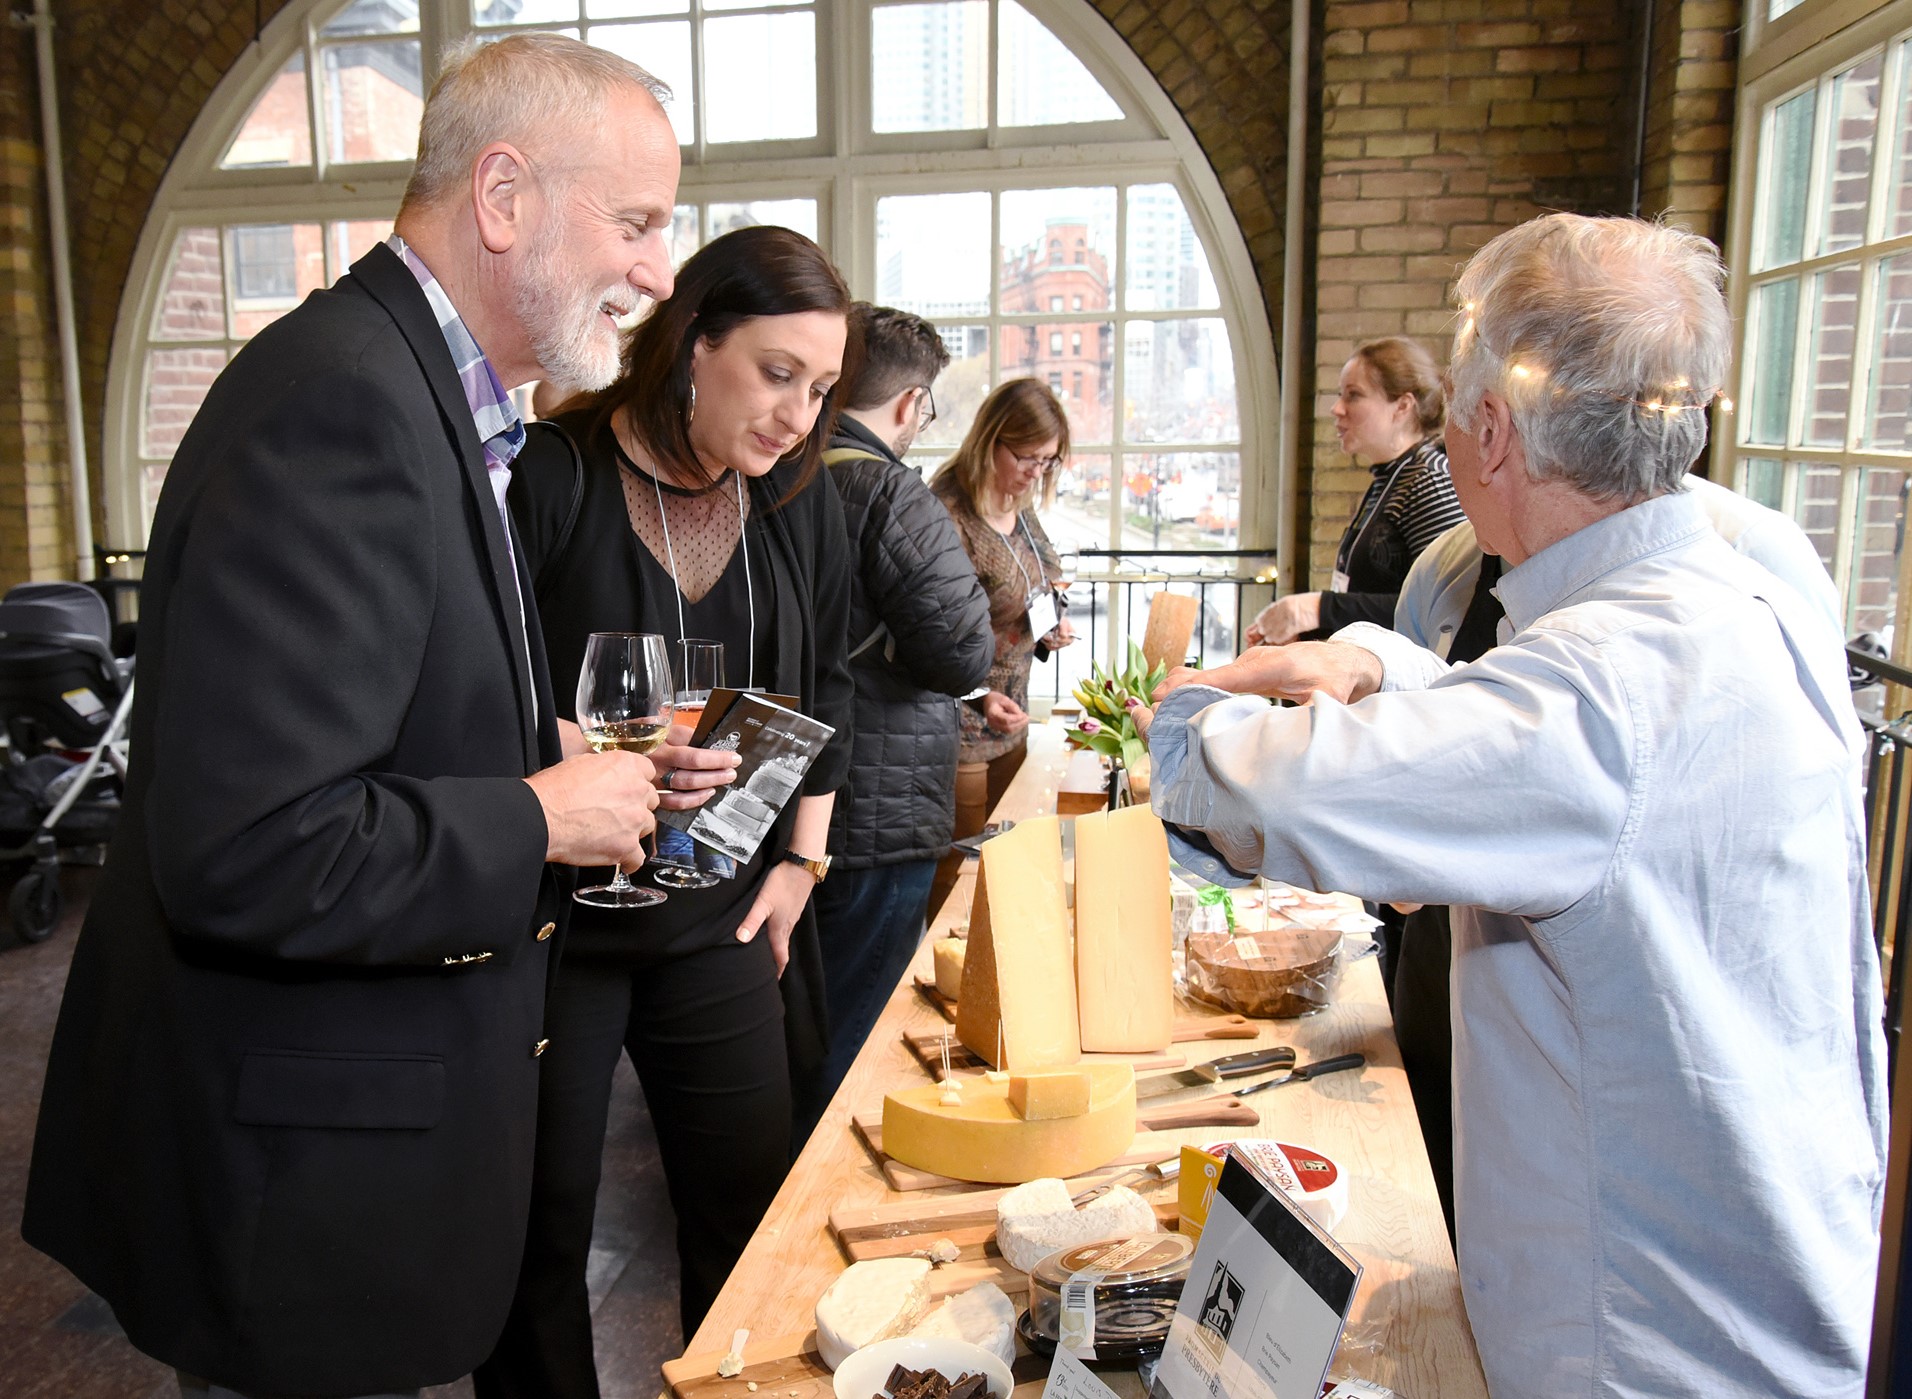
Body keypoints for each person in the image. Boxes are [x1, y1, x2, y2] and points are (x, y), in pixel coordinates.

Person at [21, 34, 682, 1399]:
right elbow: (252, 846)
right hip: (301, 1194)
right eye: (635, 223)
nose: (658, 271)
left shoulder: (420, 390)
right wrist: (538, 816)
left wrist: (538, 755)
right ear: (504, 197)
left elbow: (370, 719)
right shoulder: (346, 403)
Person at [1146, 213, 1885, 1398]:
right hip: (1759, 1274)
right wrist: (1385, 668)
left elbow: (1283, 788)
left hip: (1641, 1342)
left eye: (1454, 414)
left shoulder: (1599, 681)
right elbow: (1556, 768)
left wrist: (1181, 715)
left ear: (1489, 433)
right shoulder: (1741, 593)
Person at [476, 224, 855, 1397]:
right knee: (534, 1237)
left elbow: (826, 684)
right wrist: (594, 753)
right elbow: (476, 691)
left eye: (822, 389)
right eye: (777, 374)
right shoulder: (554, 473)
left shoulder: (793, 501)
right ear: (693, 342)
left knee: (747, 1219)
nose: (797, 416)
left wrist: (800, 866)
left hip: (718, 914)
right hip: (557, 925)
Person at [806, 304, 992, 1128]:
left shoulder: (776, 470)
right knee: (857, 1036)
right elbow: (963, 652)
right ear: (912, 403)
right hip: (878, 808)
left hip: (785, 800)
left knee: (801, 1023)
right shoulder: (887, 489)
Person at [929, 378, 1076, 875]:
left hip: (1013, 716)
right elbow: (931, 635)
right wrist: (979, 696)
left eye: (1048, 461)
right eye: (1027, 457)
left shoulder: (1019, 502)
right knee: (961, 876)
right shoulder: (948, 514)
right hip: (965, 727)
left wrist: (1052, 620)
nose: (1036, 472)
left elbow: (1041, 574)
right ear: (991, 440)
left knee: (1009, 866)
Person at [1245, 336, 1464, 646]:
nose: (1336, 409)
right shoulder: (1393, 476)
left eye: (1354, 395)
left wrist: (1317, 609)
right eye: (1340, 395)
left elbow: (1444, 605)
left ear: (1402, 406)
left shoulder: (1429, 479)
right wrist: (1309, 627)